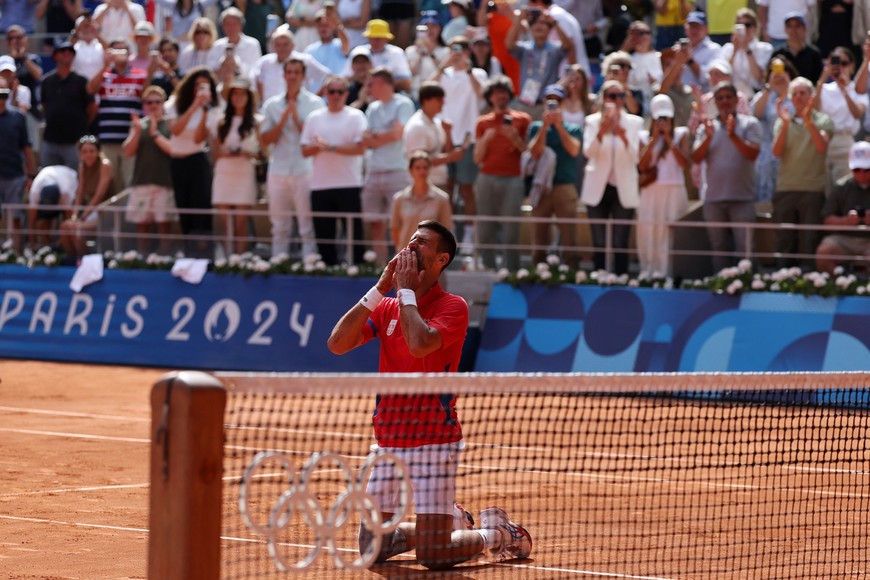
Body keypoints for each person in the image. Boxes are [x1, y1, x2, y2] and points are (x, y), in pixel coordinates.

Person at [326, 219, 531, 569]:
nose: (412, 246)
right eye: (411, 240)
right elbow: (337, 343)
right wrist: (380, 288)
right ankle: (451, 522)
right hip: (389, 441)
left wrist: (404, 292)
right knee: (371, 551)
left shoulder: (454, 306)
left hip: (433, 442)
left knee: (433, 557)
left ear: (441, 259)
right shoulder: (387, 305)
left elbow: (420, 344)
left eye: (422, 243)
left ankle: (496, 534)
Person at [692, 81, 761, 273]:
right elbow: (696, 157)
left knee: (745, 248)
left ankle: (748, 289)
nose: (724, 101)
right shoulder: (706, 127)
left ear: (736, 100)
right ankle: (721, 286)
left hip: (742, 198)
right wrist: (707, 137)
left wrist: (733, 136)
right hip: (713, 198)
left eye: (728, 97)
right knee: (718, 247)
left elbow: (753, 154)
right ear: (715, 101)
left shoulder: (750, 123)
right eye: (720, 98)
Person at [259, 57, 325, 259]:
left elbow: (315, 138)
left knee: (306, 224)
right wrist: (283, 119)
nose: (293, 76)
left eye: (297, 73)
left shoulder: (315, 103)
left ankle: (310, 264)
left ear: (304, 77)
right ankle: (279, 263)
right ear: (284, 75)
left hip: (305, 170)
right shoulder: (271, 105)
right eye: (289, 72)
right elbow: (265, 139)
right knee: (279, 224)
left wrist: (295, 118)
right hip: (278, 169)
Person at [300, 75, 367, 265]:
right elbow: (304, 150)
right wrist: (320, 148)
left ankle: (357, 272)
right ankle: (327, 273)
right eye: (331, 91)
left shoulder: (356, 116)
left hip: (349, 184)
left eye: (340, 92)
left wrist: (332, 147)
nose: (335, 95)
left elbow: (360, 148)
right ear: (325, 93)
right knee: (324, 238)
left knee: (354, 237)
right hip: (320, 186)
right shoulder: (314, 117)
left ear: (346, 94)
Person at [581, 79, 644, 275]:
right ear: (603, 99)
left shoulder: (635, 122)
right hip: (597, 187)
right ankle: (599, 279)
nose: (617, 100)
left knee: (620, 241)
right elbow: (588, 153)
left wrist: (623, 135)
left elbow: (636, 157)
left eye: (621, 96)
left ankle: (621, 281)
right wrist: (602, 130)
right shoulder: (592, 121)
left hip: (623, 187)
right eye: (612, 96)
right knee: (599, 241)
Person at [431, 35, 487, 252]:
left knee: (467, 190)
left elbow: (482, 94)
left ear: (469, 52)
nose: (458, 52)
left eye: (462, 49)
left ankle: (470, 237)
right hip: (444, 137)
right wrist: (444, 64)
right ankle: (448, 237)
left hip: (467, 139)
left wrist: (468, 68)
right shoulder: (443, 73)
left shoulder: (477, 73)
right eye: (454, 48)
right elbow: (428, 87)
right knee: (447, 190)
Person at [772, 77, 833, 267]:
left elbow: (821, 147)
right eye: (795, 94)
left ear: (811, 96)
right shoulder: (782, 121)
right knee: (785, 240)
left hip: (813, 190)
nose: (798, 97)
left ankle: (809, 284)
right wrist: (785, 124)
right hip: (786, 189)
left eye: (803, 93)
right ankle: (782, 282)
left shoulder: (823, 120)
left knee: (810, 240)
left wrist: (808, 121)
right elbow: (776, 152)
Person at [473, 75, 531, 271]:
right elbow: (477, 158)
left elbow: (527, 152)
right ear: (490, 97)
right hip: (487, 177)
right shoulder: (482, 122)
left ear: (509, 95)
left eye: (504, 93)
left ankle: (513, 273)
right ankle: (488, 269)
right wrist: (484, 141)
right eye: (496, 93)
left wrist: (514, 137)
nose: (500, 97)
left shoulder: (522, 119)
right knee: (486, 227)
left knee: (511, 229)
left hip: (513, 178)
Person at [360, 68, 415, 263]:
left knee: (400, 223)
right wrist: (382, 136)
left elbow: (397, 135)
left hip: (397, 170)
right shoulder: (372, 108)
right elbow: (366, 140)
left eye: (371, 84)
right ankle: (380, 268)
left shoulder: (403, 103)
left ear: (382, 83)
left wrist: (376, 136)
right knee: (375, 223)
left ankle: (403, 266)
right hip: (374, 171)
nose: (367, 88)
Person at [526, 83, 582, 268]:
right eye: (550, 100)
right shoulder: (535, 127)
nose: (553, 104)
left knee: (570, 237)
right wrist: (544, 126)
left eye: (557, 100)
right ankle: (538, 273)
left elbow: (574, 150)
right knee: (538, 236)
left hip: (564, 186)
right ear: (543, 103)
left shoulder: (573, 128)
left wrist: (558, 126)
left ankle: (573, 275)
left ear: (564, 102)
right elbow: (534, 152)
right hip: (541, 187)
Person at [166, 67, 219, 256]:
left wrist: (203, 109)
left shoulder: (213, 110)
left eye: (205, 86)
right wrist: (194, 106)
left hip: (198, 161)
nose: (200, 90)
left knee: (201, 208)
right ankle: (189, 253)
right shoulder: (174, 103)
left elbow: (199, 139)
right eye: (197, 86)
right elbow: (176, 130)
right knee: (184, 208)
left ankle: (205, 254)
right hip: (177, 162)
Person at [636, 94, 689, 278]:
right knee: (650, 230)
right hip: (651, 191)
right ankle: (650, 272)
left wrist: (668, 139)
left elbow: (684, 163)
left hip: (674, 189)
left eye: (666, 117)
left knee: (671, 234)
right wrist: (653, 141)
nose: (663, 121)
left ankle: (672, 274)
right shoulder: (643, 137)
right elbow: (642, 166)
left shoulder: (681, 134)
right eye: (660, 117)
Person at [122, 85, 177, 255]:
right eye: (149, 102)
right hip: (141, 182)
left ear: (163, 103)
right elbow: (128, 151)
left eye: (157, 102)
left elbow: (173, 150)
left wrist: (154, 133)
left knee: (163, 225)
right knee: (142, 224)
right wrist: (138, 131)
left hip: (164, 183)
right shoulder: (139, 125)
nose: (153, 105)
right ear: (144, 104)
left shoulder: (171, 124)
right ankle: (142, 260)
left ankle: (165, 260)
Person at [87, 38, 147, 193]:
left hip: (131, 139)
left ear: (129, 53)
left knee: (130, 183)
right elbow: (90, 89)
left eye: (123, 50)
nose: (120, 54)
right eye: (116, 50)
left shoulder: (140, 76)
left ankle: (129, 217)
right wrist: (105, 65)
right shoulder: (104, 75)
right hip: (108, 139)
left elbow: (147, 97)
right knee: (110, 184)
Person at [210, 78, 261, 255]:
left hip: (244, 173)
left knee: (240, 222)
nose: (238, 97)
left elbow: (260, 152)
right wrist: (226, 152)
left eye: (242, 94)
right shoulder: (221, 122)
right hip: (224, 173)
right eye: (235, 94)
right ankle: (227, 261)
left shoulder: (256, 122)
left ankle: (239, 262)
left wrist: (246, 153)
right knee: (226, 225)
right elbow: (215, 153)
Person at [813, 47, 868, 196]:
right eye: (835, 63)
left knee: (842, 189)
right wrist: (823, 77)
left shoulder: (857, 91)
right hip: (823, 141)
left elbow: (857, 114)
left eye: (844, 63)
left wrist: (844, 90)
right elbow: (813, 109)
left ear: (852, 66)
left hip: (845, 142)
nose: (839, 67)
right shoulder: (823, 88)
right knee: (822, 189)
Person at [505, 5, 574, 120]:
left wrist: (554, 23)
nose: (539, 26)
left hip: (546, 105)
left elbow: (567, 45)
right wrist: (518, 21)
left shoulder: (554, 49)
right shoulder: (526, 49)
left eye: (543, 23)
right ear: (530, 28)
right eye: (535, 23)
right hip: (525, 105)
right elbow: (509, 45)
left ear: (549, 28)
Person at [815, 141, 870, 273]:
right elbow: (827, 220)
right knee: (824, 252)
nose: (862, 173)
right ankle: (838, 286)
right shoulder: (841, 187)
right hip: (844, 239)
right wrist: (846, 221)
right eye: (857, 169)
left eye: (867, 169)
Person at [41, 41, 96, 170]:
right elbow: (44, 105)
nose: (66, 54)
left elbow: (92, 108)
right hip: (51, 140)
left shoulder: (82, 81)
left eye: (70, 52)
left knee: (75, 181)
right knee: (50, 181)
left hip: (75, 142)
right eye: (62, 51)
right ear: (55, 56)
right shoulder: (47, 81)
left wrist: (82, 126)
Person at [402, 81, 467, 191]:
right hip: (422, 186)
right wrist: (451, 157)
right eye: (439, 100)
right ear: (426, 101)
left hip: (438, 182)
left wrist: (448, 133)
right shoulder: (416, 126)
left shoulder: (437, 123)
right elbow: (418, 162)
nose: (443, 103)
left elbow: (446, 151)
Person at [59, 135, 116, 259]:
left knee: (76, 229)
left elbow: (99, 196)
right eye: (84, 152)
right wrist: (75, 216)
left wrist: (83, 217)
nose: (88, 155)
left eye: (92, 151)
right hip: (89, 211)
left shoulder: (105, 165)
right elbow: (80, 193)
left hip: (104, 212)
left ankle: (83, 261)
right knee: (65, 226)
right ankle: (71, 260)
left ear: (98, 152)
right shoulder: (82, 167)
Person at [0, 76, 37, 252]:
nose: (1, 98)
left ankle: (16, 254)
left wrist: (31, 175)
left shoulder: (18, 117)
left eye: (4, 94)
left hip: (14, 176)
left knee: (15, 219)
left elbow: (27, 148)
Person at [250, 26, 331, 103]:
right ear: (272, 46)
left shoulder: (305, 60)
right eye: (278, 45)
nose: (282, 48)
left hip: (299, 110)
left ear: (293, 45)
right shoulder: (264, 62)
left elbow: (327, 78)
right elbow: (253, 83)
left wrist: (315, 98)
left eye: (285, 44)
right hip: (271, 111)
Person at [391, 152, 453, 251]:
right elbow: (395, 231)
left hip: (430, 258)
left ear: (430, 169)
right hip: (405, 256)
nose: (422, 172)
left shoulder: (442, 199)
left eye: (425, 168)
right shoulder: (399, 199)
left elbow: (446, 232)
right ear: (410, 171)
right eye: (418, 168)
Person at [341, 20, 413, 93]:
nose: (374, 41)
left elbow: (407, 83)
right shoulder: (357, 51)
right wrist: (358, 78)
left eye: (378, 38)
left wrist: (379, 84)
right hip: (359, 95)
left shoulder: (396, 53)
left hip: (388, 96)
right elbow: (344, 79)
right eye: (371, 37)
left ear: (387, 39)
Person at [718, 8, 774, 98]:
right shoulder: (727, 48)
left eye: (747, 25)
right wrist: (734, 51)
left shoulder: (765, 48)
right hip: (730, 96)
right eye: (739, 25)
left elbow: (760, 78)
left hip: (755, 95)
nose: (743, 28)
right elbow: (721, 76)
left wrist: (747, 50)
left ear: (755, 28)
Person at [27, 164, 78, 248]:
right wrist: (33, 248)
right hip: (57, 187)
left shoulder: (66, 192)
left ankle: (62, 249)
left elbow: (70, 218)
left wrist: (60, 243)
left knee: (67, 225)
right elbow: (31, 221)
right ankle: (45, 248)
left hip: (70, 180)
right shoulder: (35, 192)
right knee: (42, 223)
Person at [770, 11, 822, 84]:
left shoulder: (814, 54)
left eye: (797, 26)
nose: (793, 30)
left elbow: (819, 80)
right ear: (785, 29)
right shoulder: (778, 54)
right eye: (790, 26)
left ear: (804, 28)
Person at [207, 7, 263, 74]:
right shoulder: (217, 45)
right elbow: (210, 69)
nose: (231, 28)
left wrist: (237, 65)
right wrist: (222, 65)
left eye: (234, 24)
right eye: (228, 24)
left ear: (241, 25)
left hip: (245, 83)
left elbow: (255, 70)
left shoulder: (252, 44)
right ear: (222, 26)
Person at [679, 11, 722, 92]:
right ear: (685, 29)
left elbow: (707, 78)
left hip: (703, 97)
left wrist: (690, 61)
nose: (694, 30)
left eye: (698, 27)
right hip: (680, 97)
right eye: (691, 26)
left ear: (706, 29)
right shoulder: (678, 48)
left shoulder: (714, 49)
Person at [304, 8, 350, 75]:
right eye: (320, 25)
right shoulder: (309, 50)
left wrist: (337, 25)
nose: (323, 28)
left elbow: (346, 43)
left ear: (333, 27)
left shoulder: (339, 44)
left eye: (327, 25)